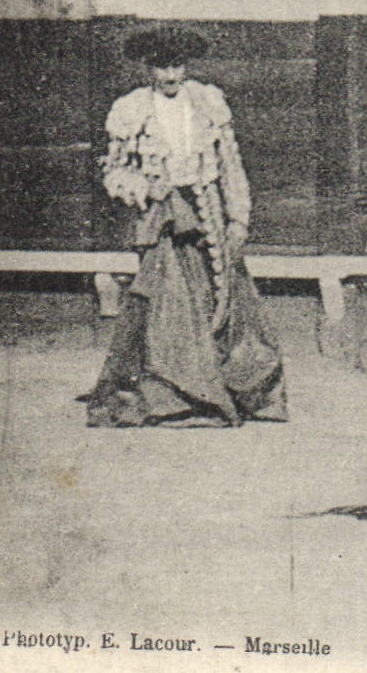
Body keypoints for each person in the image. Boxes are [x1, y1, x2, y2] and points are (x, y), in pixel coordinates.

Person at [83, 30, 285, 429]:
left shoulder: (208, 102)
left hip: (207, 211)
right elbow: (113, 170)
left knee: (224, 299)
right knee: (166, 303)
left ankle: (226, 389)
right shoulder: (133, 108)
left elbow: (231, 167)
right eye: (162, 66)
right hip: (163, 219)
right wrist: (143, 189)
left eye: (178, 65)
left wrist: (238, 218)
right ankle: (174, 395)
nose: (172, 74)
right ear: (148, 68)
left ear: (187, 66)